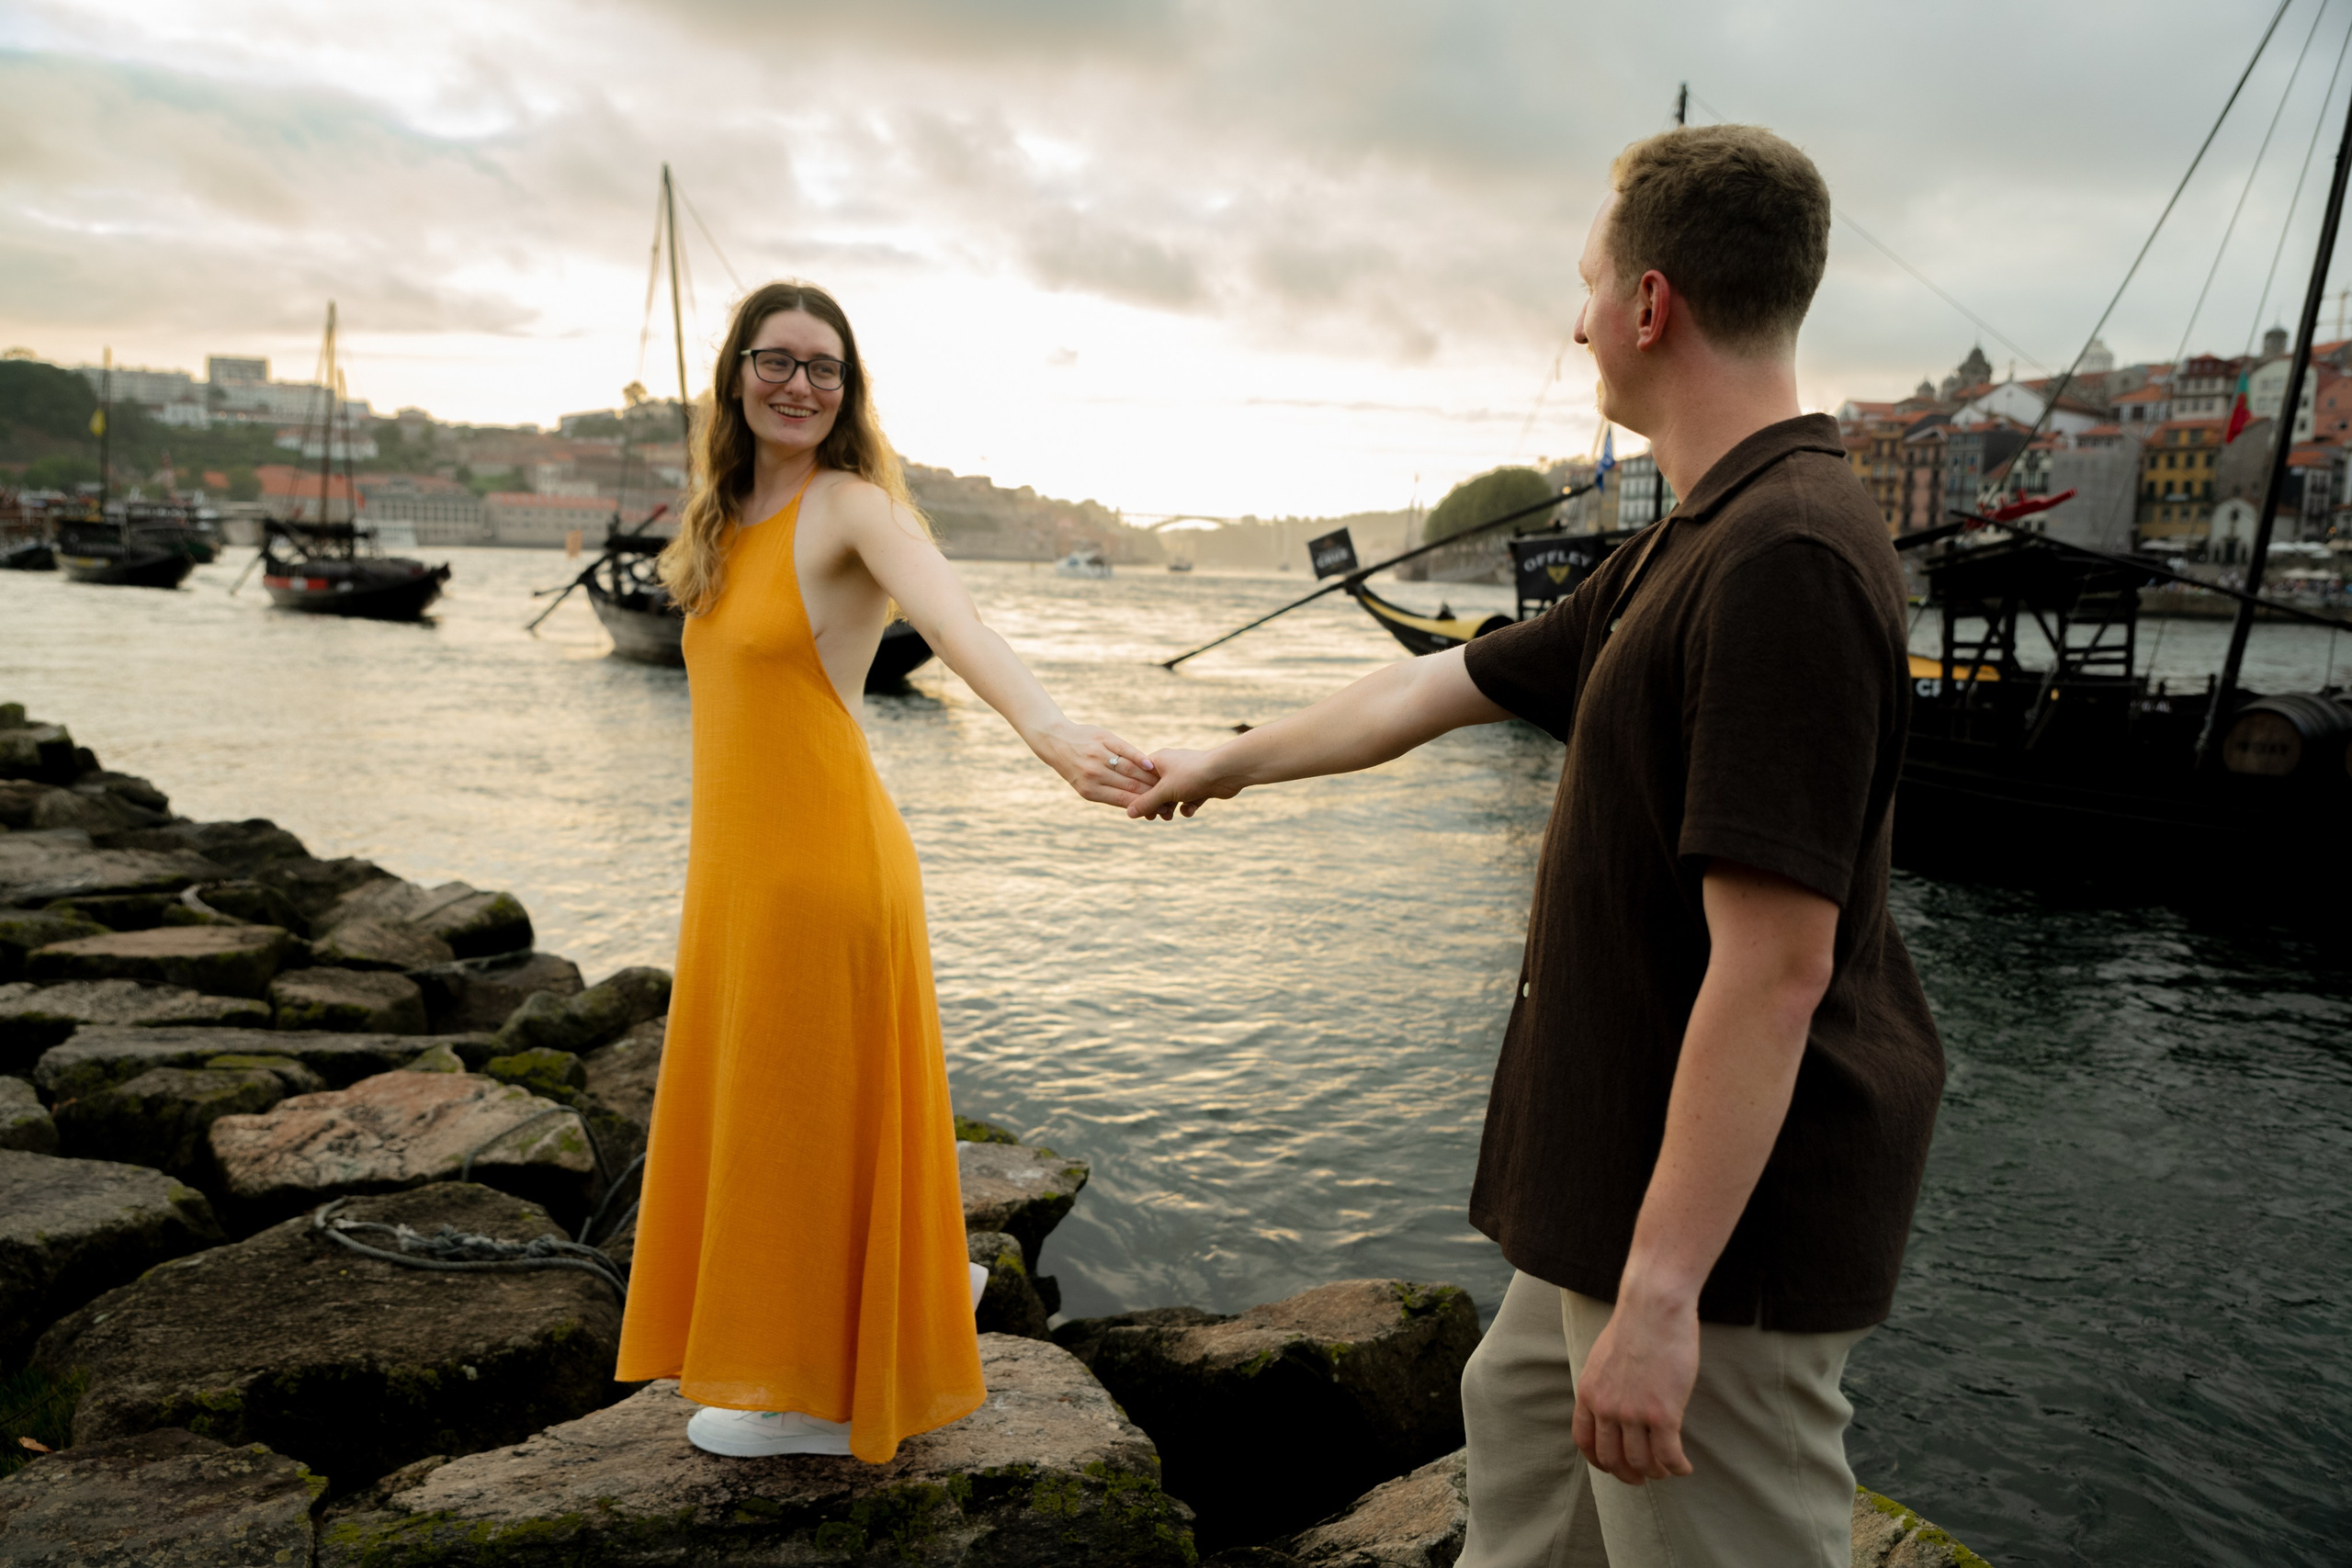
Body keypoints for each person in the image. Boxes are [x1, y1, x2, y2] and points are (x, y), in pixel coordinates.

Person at [1126, 126, 1945, 1566]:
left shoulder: (1789, 560)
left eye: (1588, 285)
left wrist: (1663, 1296)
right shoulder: (1691, 539)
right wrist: (1221, 763)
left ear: (1651, 303)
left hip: (1722, 1249)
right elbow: (1435, 684)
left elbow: (1776, 970)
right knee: (1520, 1460)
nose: (1576, 324)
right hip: (1608, 1196)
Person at [614, 281, 1156, 1462]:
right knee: (772, 1115)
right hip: (739, 875)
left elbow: (957, 626)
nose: (800, 384)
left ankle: (823, 1397)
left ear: (849, 390)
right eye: (778, 359)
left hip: (823, 868)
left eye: (826, 367)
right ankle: (908, 1294)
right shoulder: (722, 518)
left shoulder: (851, 505)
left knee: (800, 1120)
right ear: (736, 373)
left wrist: (1052, 733)